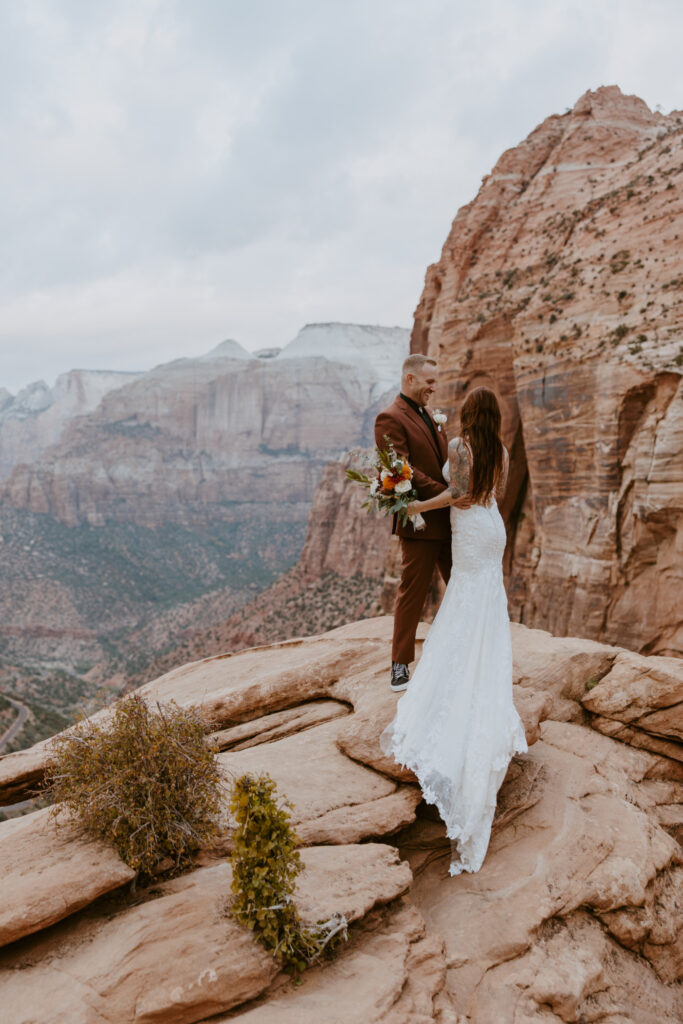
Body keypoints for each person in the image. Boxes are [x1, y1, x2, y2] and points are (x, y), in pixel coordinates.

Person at [380, 386, 527, 876]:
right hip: (492, 530)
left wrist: (418, 509)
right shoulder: (500, 450)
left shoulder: (461, 447)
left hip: (467, 528)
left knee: (462, 598)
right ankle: (481, 677)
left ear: (469, 414)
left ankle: (451, 682)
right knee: (484, 604)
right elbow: (490, 496)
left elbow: (459, 495)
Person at [374, 355, 451, 692]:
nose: (433, 388)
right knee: (412, 594)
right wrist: (449, 493)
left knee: (461, 585)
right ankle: (400, 665)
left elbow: (440, 460)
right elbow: (402, 469)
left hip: (451, 518)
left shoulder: (431, 415)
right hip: (420, 522)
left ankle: (459, 651)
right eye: (428, 381)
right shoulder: (389, 418)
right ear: (409, 379)